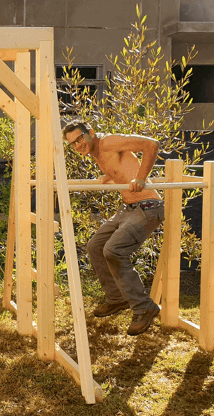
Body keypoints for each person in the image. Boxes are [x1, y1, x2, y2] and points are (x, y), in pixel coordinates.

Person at [62, 119, 163, 336]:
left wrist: (142, 178)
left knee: (113, 250)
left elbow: (151, 144)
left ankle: (144, 307)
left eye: (80, 138)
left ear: (91, 132)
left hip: (148, 207)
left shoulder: (108, 142)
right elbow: (121, 168)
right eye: (73, 143)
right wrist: (108, 177)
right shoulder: (97, 153)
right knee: (95, 246)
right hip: (128, 209)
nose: (78, 145)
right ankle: (117, 298)